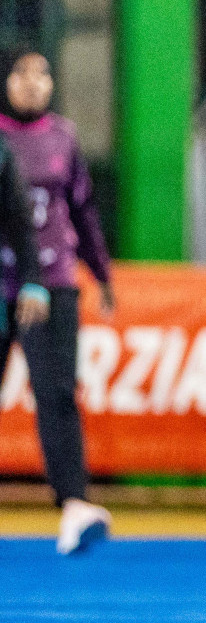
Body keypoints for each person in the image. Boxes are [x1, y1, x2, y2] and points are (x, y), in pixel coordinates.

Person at [0, 48, 114, 555]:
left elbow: (83, 210)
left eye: (42, 73)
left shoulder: (62, 138)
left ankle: (74, 505)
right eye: (20, 73)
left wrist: (102, 274)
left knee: (56, 393)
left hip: (48, 284)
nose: (32, 83)